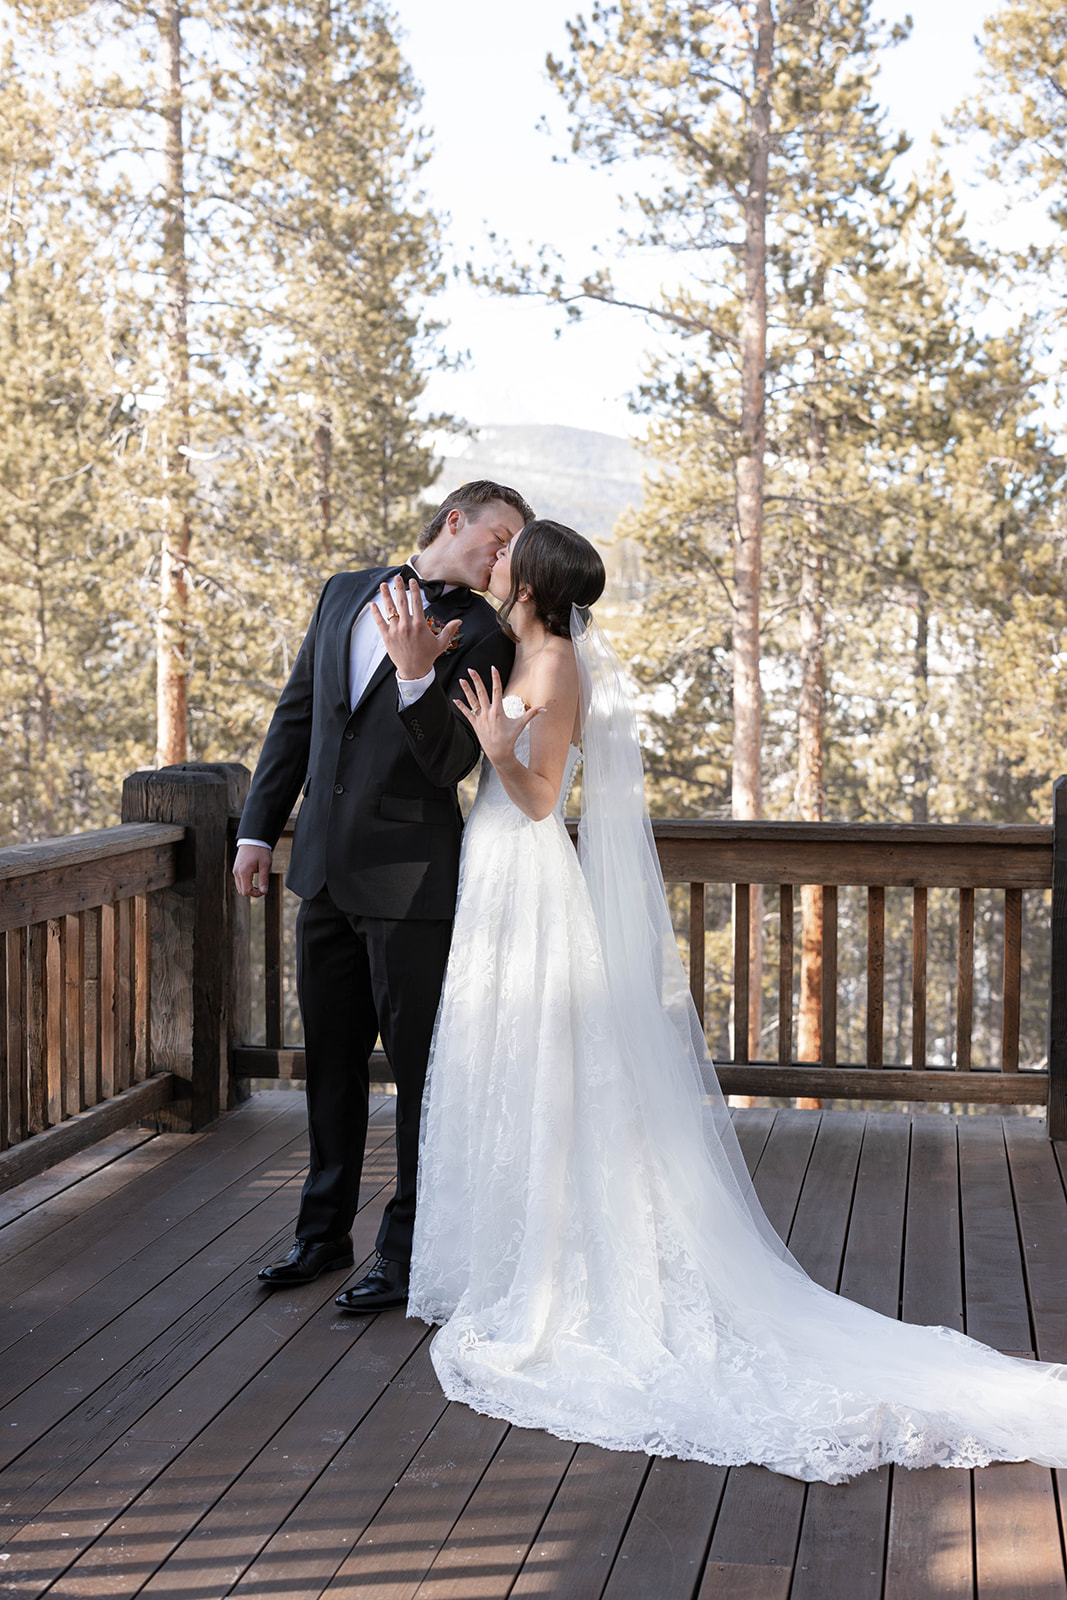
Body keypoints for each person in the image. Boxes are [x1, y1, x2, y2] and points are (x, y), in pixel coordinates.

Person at [405, 517, 1067, 1484]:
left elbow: (541, 796)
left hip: (525, 861)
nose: (494, 559)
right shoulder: (524, 645)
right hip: (495, 865)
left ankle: (557, 1274)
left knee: (541, 1060)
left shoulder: (550, 667)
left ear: (534, 581)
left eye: (508, 554)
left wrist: (494, 740)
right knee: (500, 1052)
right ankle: (505, 1254)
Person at [234, 480, 532, 1309]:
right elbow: (296, 716)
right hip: (322, 873)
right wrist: (257, 830)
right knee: (328, 1065)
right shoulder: (342, 593)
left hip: (412, 884)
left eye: (512, 548)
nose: (503, 557)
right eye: (498, 538)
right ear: (454, 521)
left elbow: (448, 766)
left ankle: (406, 1253)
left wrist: (413, 676)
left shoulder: (484, 634)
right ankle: (320, 1236)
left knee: (417, 1077)